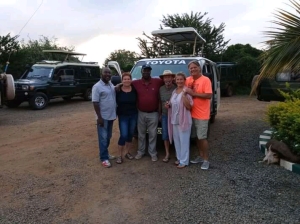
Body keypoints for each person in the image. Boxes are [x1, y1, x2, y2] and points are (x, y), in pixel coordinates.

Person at [132, 64, 164, 161]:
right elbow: (126, 83)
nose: (146, 72)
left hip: (154, 113)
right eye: (144, 70)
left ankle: (152, 153)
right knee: (141, 135)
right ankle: (140, 152)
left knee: (153, 134)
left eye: (148, 70)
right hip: (140, 113)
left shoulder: (157, 82)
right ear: (141, 71)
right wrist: (118, 85)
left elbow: (169, 81)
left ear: (150, 72)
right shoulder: (136, 83)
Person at [185, 60, 212, 170]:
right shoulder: (188, 79)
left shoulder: (205, 80)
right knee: (196, 137)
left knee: (202, 137)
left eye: (195, 67)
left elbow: (209, 95)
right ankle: (201, 156)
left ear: (199, 68)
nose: (192, 69)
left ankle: (206, 160)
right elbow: (181, 86)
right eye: (190, 68)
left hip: (202, 114)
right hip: (190, 113)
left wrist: (193, 93)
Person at [166, 72, 193, 168]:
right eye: (177, 79)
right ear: (175, 81)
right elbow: (173, 104)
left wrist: (184, 96)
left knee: (184, 141)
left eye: (181, 79)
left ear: (184, 80)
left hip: (184, 120)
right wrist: (168, 105)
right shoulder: (175, 91)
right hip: (174, 120)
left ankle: (184, 161)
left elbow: (189, 106)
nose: (179, 81)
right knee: (177, 140)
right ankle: (179, 158)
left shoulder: (187, 91)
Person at [92, 67, 117, 168]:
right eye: (106, 72)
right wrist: (99, 117)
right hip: (103, 117)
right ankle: (104, 158)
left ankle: (105, 153)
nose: (108, 74)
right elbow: (95, 102)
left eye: (109, 73)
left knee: (108, 137)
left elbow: (115, 89)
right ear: (101, 74)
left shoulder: (110, 84)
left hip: (111, 116)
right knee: (103, 138)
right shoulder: (97, 87)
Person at [115, 72, 138, 164]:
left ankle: (127, 152)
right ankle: (119, 155)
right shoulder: (118, 90)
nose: (127, 80)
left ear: (131, 80)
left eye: (128, 79)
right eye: (125, 79)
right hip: (123, 116)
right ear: (122, 80)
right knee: (123, 135)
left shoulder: (134, 89)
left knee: (130, 134)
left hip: (133, 115)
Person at [159, 70, 176, 162]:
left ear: (172, 78)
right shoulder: (161, 89)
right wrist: (160, 114)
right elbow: (159, 102)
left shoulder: (177, 87)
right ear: (163, 79)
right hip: (165, 115)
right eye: (165, 77)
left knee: (176, 134)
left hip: (175, 115)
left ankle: (177, 153)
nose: (167, 79)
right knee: (165, 134)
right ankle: (167, 153)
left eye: (169, 77)